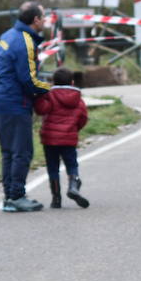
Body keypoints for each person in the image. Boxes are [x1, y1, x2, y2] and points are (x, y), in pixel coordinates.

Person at [0, 1, 53, 212]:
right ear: (36, 20)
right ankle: (17, 196)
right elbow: (28, 80)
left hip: (0, 101)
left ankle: (9, 196)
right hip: (15, 104)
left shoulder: (7, 35)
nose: (45, 21)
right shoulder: (24, 42)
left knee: (8, 152)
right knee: (22, 152)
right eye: (43, 17)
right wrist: (51, 90)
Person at [34, 67, 90, 209]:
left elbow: (41, 110)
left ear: (53, 81)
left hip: (50, 139)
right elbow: (83, 117)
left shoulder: (49, 95)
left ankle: (56, 199)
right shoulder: (77, 98)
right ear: (72, 82)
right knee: (72, 164)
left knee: (53, 168)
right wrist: (74, 129)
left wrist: (39, 96)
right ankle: (73, 186)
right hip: (69, 139)